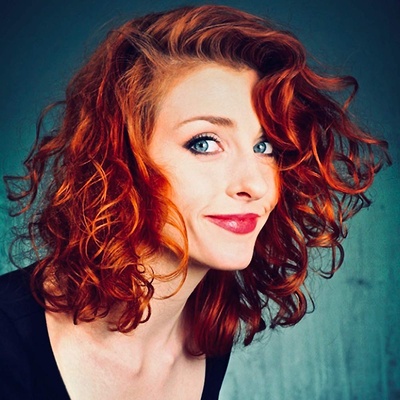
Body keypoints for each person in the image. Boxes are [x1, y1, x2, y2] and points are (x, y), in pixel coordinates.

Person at [0, 5, 389, 399]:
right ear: (120, 158)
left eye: (265, 146)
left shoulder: (207, 335)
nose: (255, 184)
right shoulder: (8, 339)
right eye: (204, 143)